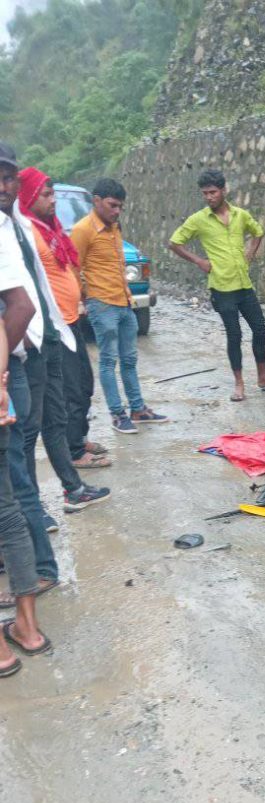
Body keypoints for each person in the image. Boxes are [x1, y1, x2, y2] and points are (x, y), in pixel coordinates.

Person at [0, 144, 110, 517]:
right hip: (25, 344)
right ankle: (32, 510)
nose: (4, 187)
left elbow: (42, 285)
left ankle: (71, 488)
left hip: (51, 333)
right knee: (26, 431)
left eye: (9, 178)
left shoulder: (24, 226)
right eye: (45, 194)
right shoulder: (17, 228)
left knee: (55, 418)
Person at [18, 167, 110, 469]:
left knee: (84, 383)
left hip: (71, 319)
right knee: (70, 390)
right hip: (54, 325)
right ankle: (74, 451)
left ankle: (78, 437)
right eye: (46, 195)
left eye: (53, 194)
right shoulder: (27, 233)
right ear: (29, 196)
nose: (53, 200)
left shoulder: (50, 228)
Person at [168, 169, 265, 402]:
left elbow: (258, 232)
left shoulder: (240, 215)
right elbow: (174, 243)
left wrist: (249, 255)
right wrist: (199, 261)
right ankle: (239, 384)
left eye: (213, 192)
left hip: (244, 285)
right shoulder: (198, 220)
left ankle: (263, 377)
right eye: (205, 193)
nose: (209, 197)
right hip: (221, 288)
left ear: (223, 190)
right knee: (234, 334)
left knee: (260, 329)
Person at [0, 161, 52, 666]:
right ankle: (27, 629)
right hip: (6, 376)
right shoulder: (3, 229)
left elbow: (22, 309)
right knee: (8, 504)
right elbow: (16, 310)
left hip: (8, 376)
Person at [71, 178, 167, 434]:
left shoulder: (114, 228)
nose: (117, 211)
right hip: (101, 304)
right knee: (108, 361)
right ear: (96, 201)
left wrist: (128, 296)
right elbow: (73, 268)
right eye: (112, 205)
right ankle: (117, 414)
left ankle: (137, 409)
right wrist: (84, 299)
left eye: (120, 207)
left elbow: (117, 265)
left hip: (124, 302)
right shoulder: (82, 230)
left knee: (130, 359)